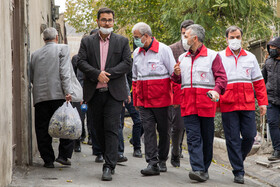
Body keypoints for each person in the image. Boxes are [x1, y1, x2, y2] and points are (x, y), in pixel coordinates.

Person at [77, 8, 132, 181]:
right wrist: (96, 73)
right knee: (97, 129)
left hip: (114, 94)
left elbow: (127, 63)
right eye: (103, 20)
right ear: (98, 21)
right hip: (94, 92)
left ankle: (109, 165)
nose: (107, 23)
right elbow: (80, 62)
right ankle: (106, 154)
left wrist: (107, 73)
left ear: (113, 22)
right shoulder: (87, 41)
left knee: (111, 128)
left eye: (109, 20)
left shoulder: (122, 41)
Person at [172, 24, 227, 182]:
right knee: (193, 137)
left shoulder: (212, 56)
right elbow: (177, 80)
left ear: (195, 38)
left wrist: (217, 90)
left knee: (206, 137)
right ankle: (197, 168)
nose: (184, 38)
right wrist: (175, 74)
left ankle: (204, 168)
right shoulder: (182, 58)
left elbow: (222, 77)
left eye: (186, 35)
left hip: (206, 104)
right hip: (188, 104)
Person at [219, 26, 268, 184]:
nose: (235, 40)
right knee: (232, 138)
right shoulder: (219, 57)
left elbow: (259, 83)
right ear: (226, 39)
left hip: (247, 103)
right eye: (232, 37)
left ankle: (237, 158)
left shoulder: (250, 57)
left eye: (238, 37)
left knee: (249, 135)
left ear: (242, 38)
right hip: (228, 104)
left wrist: (262, 103)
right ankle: (238, 171)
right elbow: (215, 82)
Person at [132, 22, 176, 176]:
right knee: (149, 131)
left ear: (146, 36)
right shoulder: (136, 53)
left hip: (163, 101)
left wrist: (175, 98)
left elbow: (174, 74)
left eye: (137, 37)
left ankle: (163, 159)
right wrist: (136, 100)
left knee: (164, 131)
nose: (135, 40)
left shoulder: (164, 50)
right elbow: (135, 79)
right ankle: (152, 163)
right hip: (145, 102)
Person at [30, 27, 74, 168]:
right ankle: (63, 155)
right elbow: (65, 72)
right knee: (66, 125)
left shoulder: (35, 54)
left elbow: (31, 76)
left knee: (42, 128)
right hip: (58, 95)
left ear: (44, 39)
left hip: (40, 96)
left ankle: (48, 159)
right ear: (56, 37)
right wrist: (68, 91)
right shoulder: (63, 48)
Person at [169, 19, 194, 167]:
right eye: (184, 34)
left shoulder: (198, 49)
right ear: (181, 32)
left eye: (189, 35)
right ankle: (175, 151)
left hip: (193, 93)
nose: (186, 38)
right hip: (177, 94)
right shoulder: (172, 49)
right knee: (177, 126)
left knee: (188, 126)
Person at [262, 37, 280, 161]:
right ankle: (277, 150)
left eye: (274, 48)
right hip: (271, 99)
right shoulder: (268, 62)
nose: (272, 50)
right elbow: (261, 80)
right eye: (271, 48)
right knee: (272, 123)